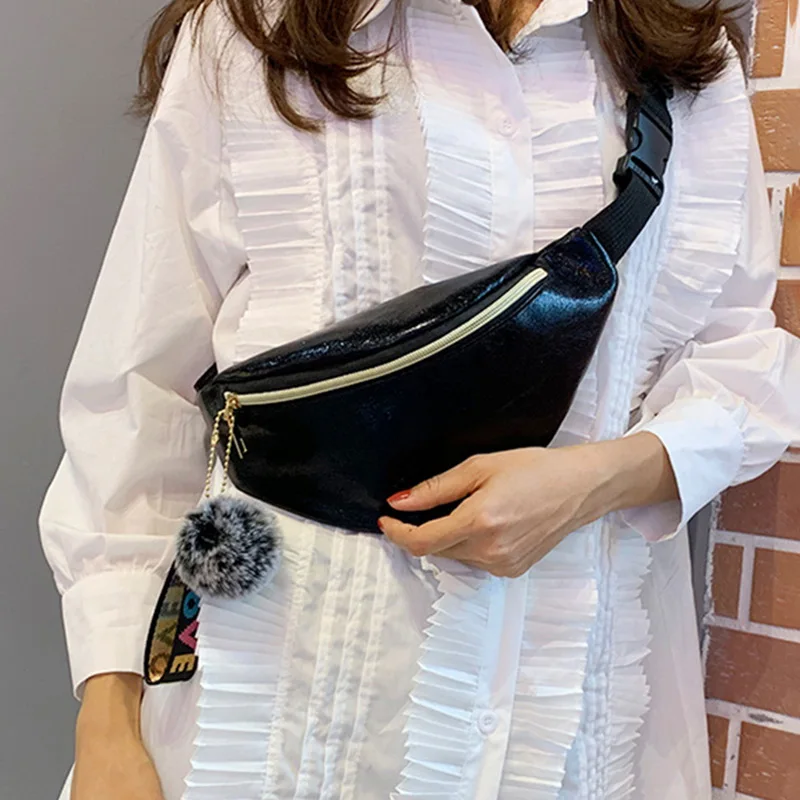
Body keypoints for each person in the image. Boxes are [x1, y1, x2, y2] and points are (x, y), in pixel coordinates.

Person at [41, 1, 800, 798]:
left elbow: (740, 360)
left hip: (568, 712)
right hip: (274, 710)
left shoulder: (679, 58)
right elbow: (137, 395)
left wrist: (596, 481)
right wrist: (108, 723)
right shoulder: (253, 33)